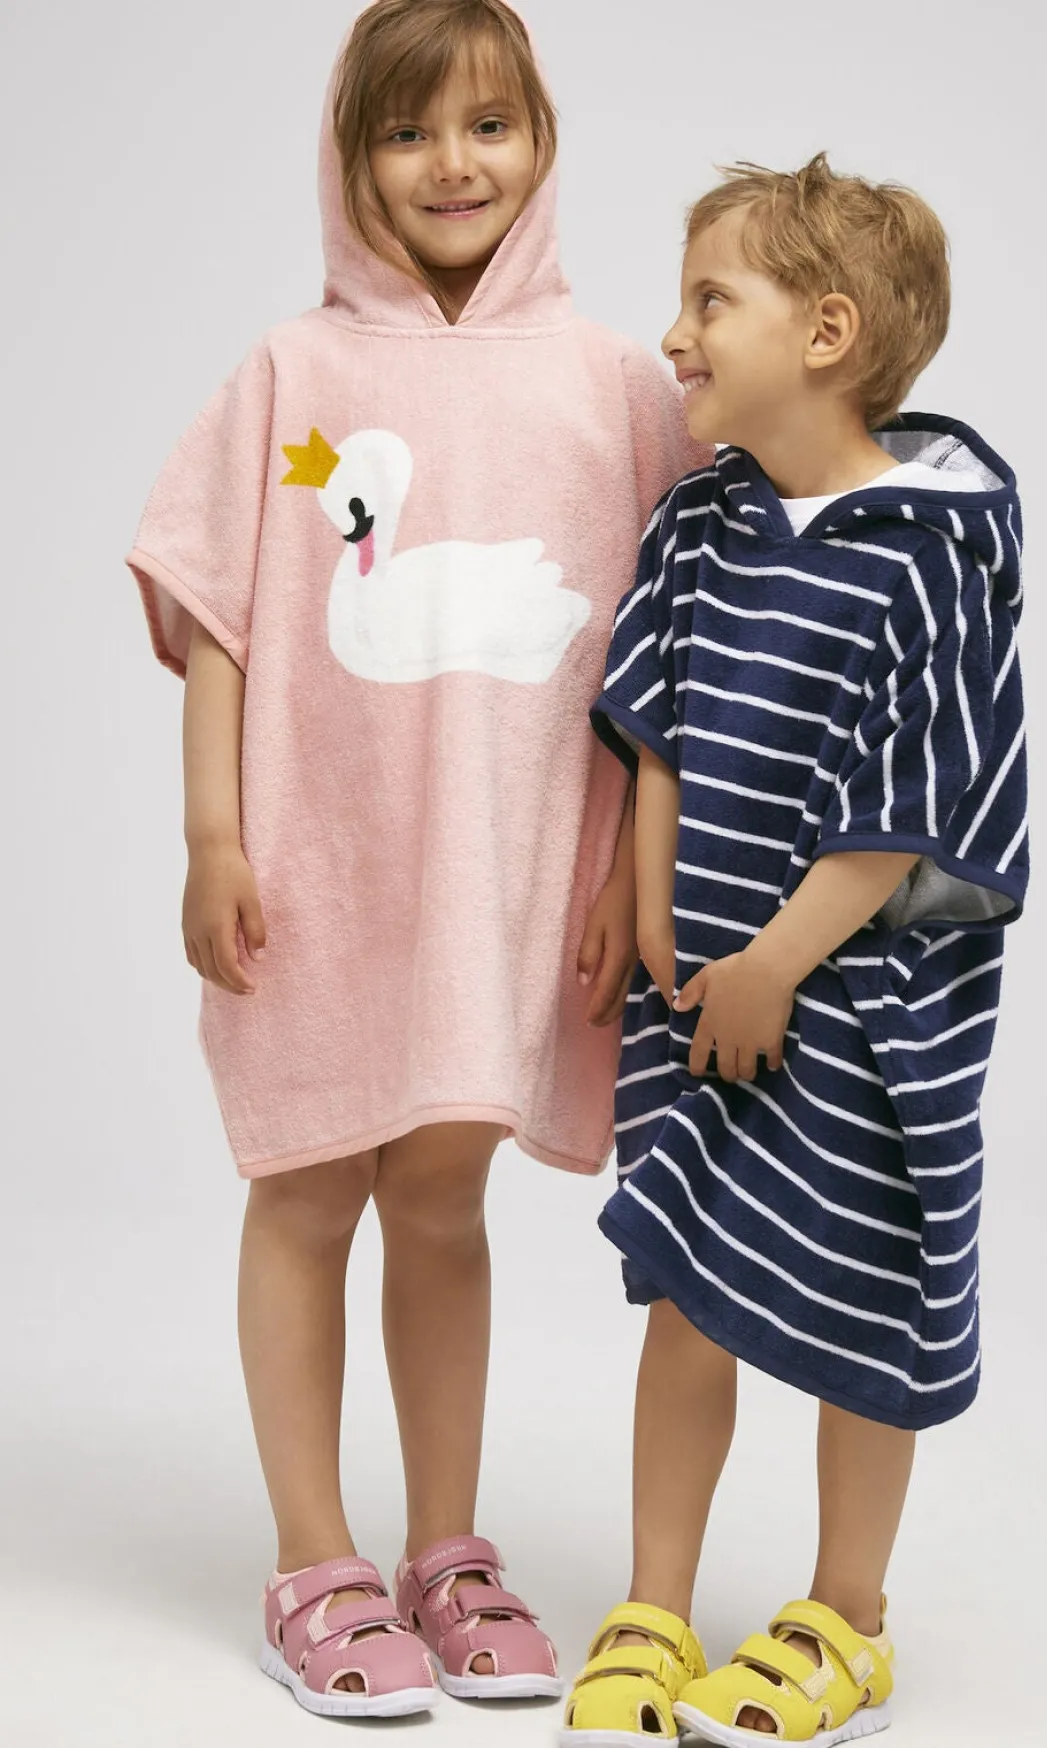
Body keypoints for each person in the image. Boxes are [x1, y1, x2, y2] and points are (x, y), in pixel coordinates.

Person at [126, 0, 700, 1720]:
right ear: (349, 157)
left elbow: (672, 650)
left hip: (506, 879)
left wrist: (633, 871)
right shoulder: (298, 383)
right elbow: (232, 597)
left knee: (443, 1198)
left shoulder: (612, 385)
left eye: (489, 125)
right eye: (407, 131)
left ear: (541, 143)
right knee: (308, 1184)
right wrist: (213, 830)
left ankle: (445, 1547)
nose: (454, 164)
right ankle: (313, 1557)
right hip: (327, 868)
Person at [564, 155, 1028, 1746]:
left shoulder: (931, 554)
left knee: (863, 1299)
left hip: (860, 1007)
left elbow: (913, 801)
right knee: (688, 1290)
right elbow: (658, 718)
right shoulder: (704, 520)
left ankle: (848, 1615)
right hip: (697, 989)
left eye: (712, 301)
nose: (674, 334)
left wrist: (779, 962)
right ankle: (657, 1603)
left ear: (825, 332)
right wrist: (650, 903)